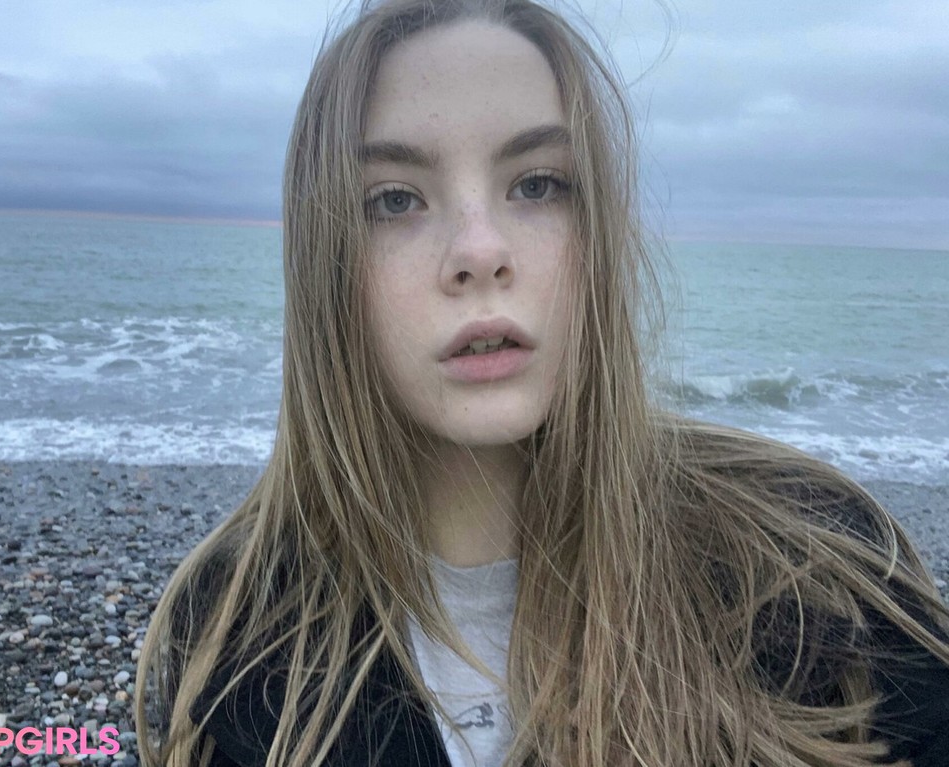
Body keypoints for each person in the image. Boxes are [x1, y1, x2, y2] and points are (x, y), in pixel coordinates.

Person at [135, 0, 949, 764]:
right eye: (394, 200)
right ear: (325, 265)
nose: (480, 250)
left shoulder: (814, 566)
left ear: (596, 230)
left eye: (536, 184)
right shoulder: (233, 633)